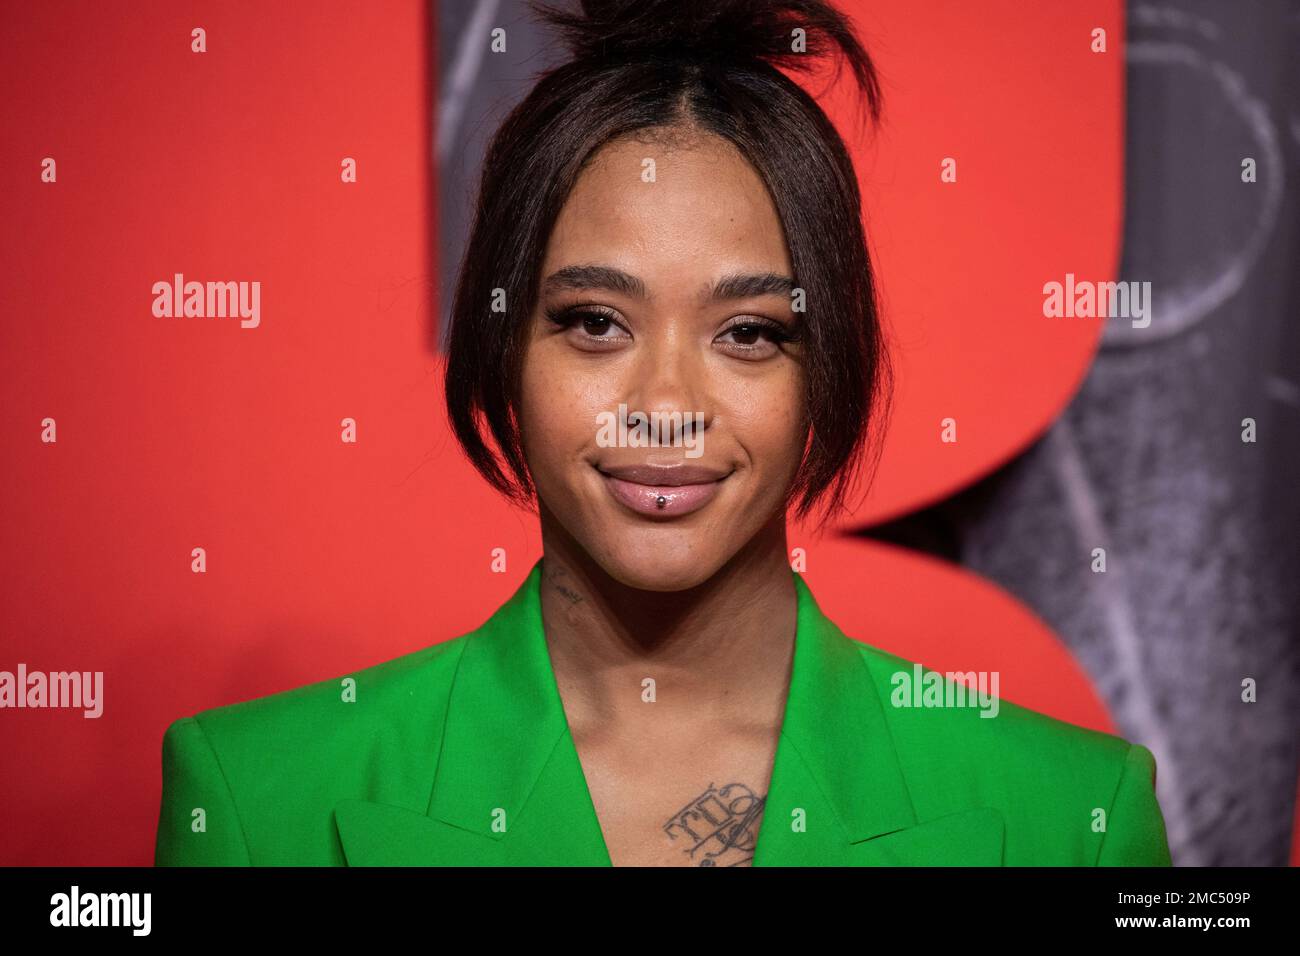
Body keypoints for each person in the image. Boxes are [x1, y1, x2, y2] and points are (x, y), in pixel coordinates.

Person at [155, 0, 1172, 867]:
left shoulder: (1073, 814)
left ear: (831, 364)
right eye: (595, 322)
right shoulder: (255, 798)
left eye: (748, 333)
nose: (665, 398)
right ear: (502, 347)